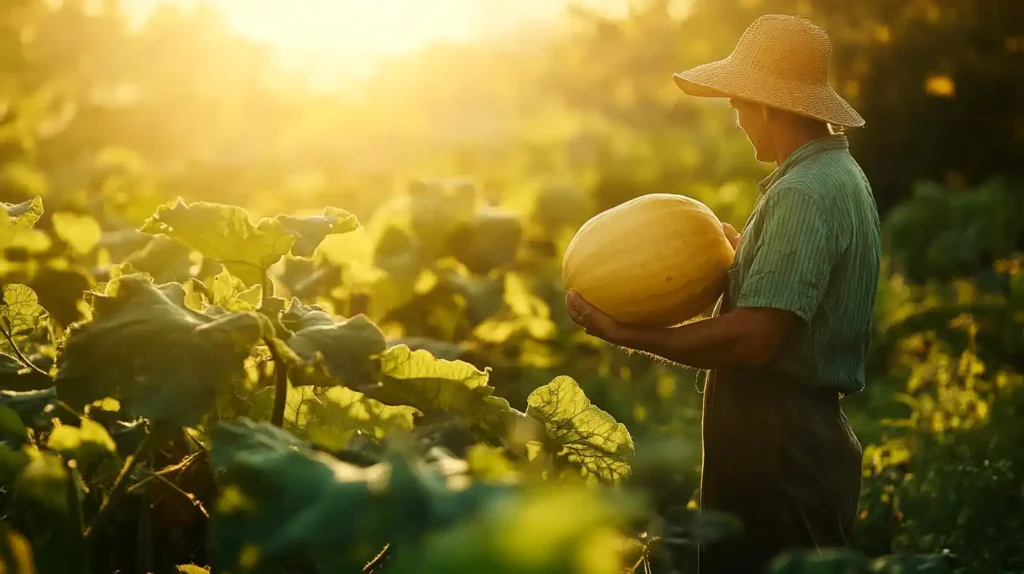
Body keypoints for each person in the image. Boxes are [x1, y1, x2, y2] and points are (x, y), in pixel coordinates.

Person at [564, 14, 882, 573]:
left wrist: (627, 333)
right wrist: (735, 265)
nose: (737, 120)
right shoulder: (834, 175)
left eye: (737, 104)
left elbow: (754, 340)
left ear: (766, 104)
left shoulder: (804, 193)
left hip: (780, 445)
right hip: (788, 436)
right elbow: (786, 298)